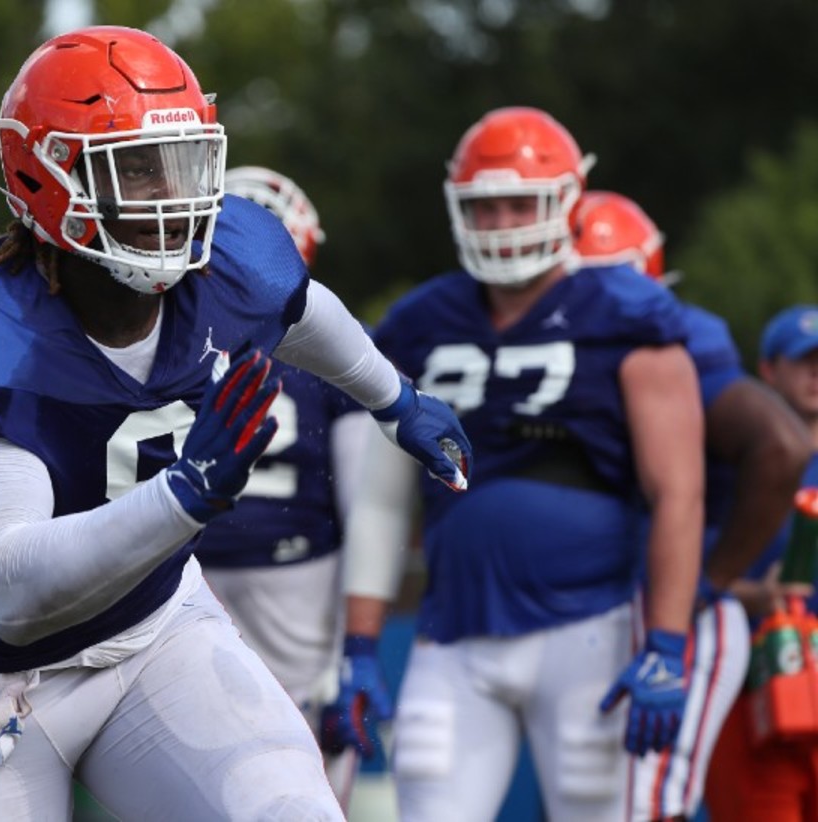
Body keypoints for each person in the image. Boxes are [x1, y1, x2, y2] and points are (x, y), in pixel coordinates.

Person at [0, 25, 471, 821]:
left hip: (152, 628)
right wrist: (183, 498)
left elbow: (300, 313)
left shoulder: (235, 259)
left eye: (183, 162)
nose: (173, 196)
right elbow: (8, 594)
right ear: (46, 175)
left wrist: (394, 399)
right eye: (138, 170)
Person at [324, 106, 706, 821]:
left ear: (565, 201)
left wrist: (667, 642)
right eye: (484, 206)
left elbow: (679, 493)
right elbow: (382, 499)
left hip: (589, 626)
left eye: (518, 203)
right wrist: (362, 645)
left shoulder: (628, 311)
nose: (501, 223)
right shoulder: (420, 321)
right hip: (455, 632)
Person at [575, 191, 811, 820]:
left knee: (644, 801)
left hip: (685, 616)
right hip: (589, 606)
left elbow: (777, 449)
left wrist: (713, 581)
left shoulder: (674, 344)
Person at [193, 165, 377, 807]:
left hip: (294, 576)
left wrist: (354, 649)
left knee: (297, 764)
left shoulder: (178, 339)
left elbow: (368, 505)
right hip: (192, 571)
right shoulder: (173, 335)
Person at [705, 304, 818, 822]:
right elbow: (686, 572)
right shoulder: (733, 461)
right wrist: (747, 593)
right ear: (768, 371)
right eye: (805, 360)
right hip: (756, 683)